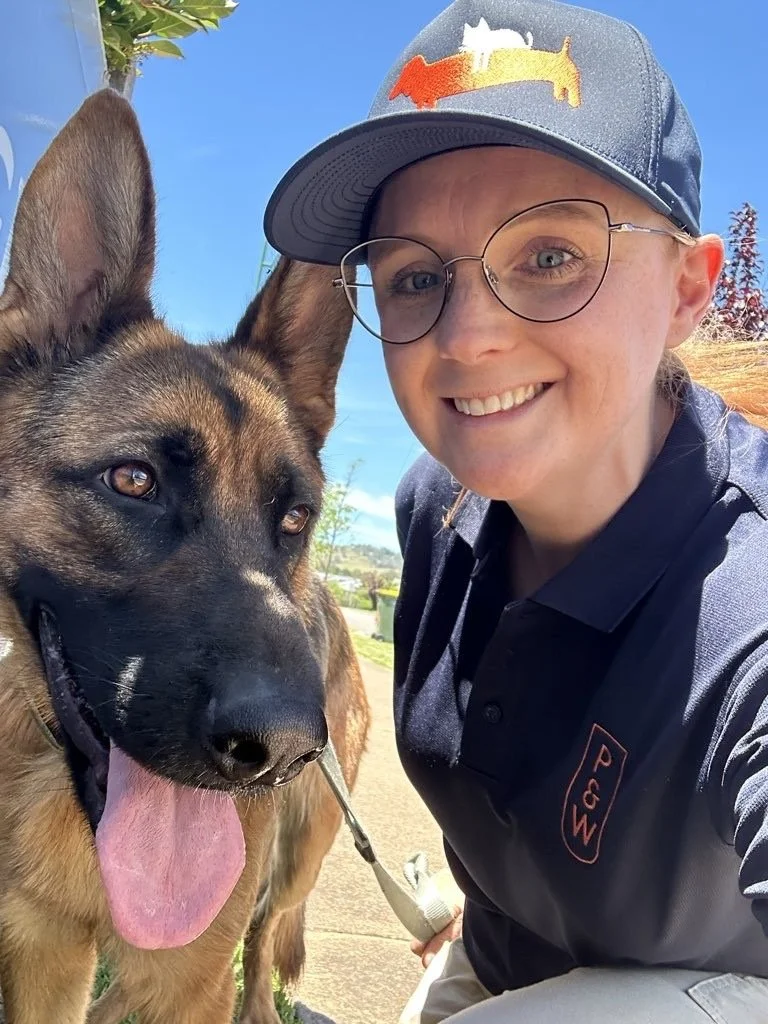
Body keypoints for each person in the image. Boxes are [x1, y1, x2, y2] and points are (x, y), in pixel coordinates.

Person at [264, 0, 768, 1020]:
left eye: (549, 257)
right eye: (415, 276)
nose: (466, 336)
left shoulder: (745, 613)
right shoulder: (437, 504)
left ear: (688, 289)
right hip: (495, 963)